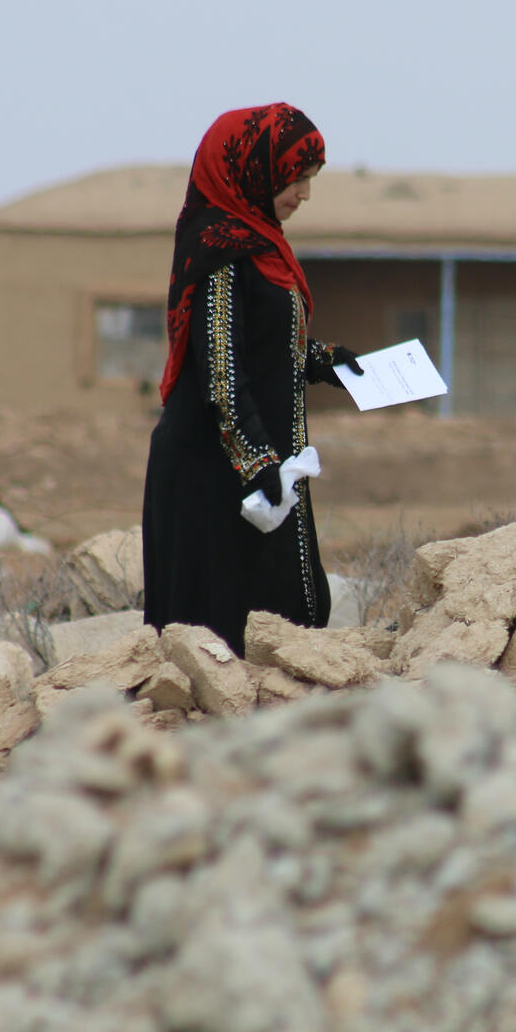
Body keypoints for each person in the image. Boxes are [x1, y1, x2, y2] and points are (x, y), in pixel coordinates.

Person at [141, 103, 362, 656]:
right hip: (213, 472)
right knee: (223, 636)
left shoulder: (260, 244)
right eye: (297, 177)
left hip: (250, 461)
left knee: (283, 616)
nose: (305, 193)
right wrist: (257, 461)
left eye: (311, 178)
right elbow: (219, 369)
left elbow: (257, 347)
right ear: (256, 172)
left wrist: (325, 361)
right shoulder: (221, 251)